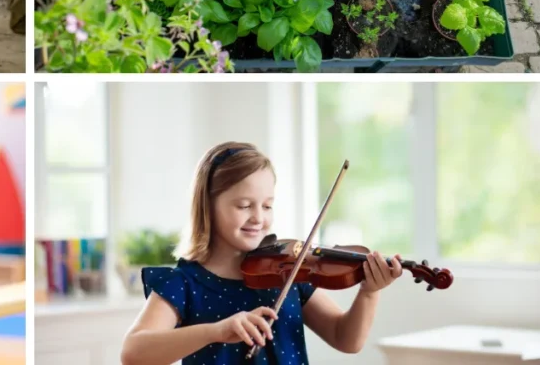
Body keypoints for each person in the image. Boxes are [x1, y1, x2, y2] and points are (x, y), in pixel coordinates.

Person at [120, 142, 402, 365]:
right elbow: (133, 352)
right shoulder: (184, 282)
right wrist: (216, 331)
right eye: (244, 205)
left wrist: (368, 292)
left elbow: (346, 339)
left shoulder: (289, 271)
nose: (258, 218)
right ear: (207, 205)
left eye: (267, 206)